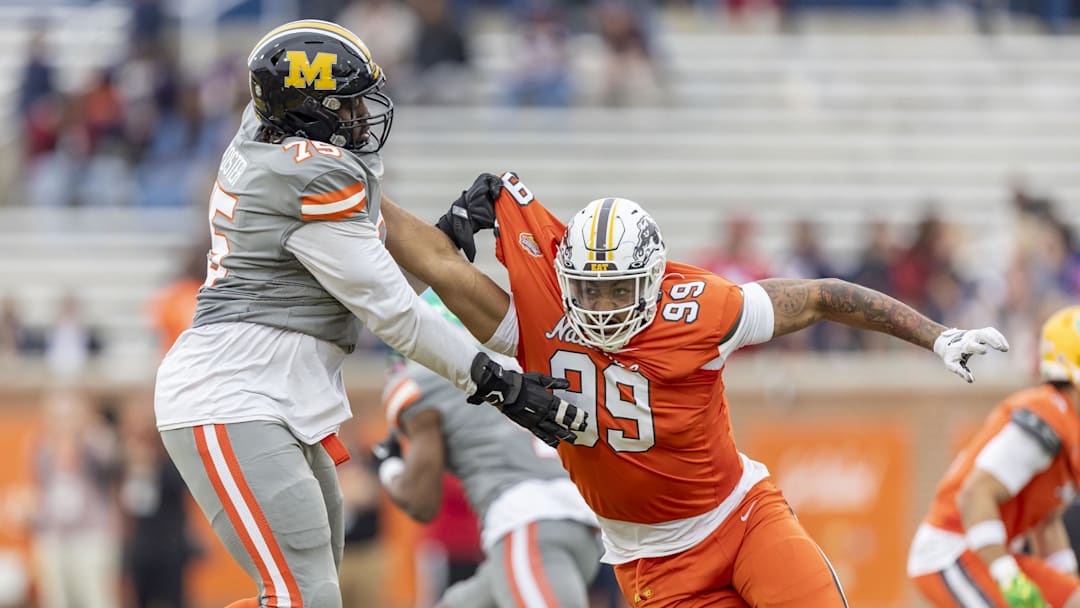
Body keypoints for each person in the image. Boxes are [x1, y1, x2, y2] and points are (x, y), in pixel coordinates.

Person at [427, 171, 1011, 607]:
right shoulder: (543, 320)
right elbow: (438, 265)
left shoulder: (703, 308)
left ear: (655, 277)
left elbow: (821, 296)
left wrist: (936, 336)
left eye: (619, 289)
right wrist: (352, 217)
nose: (603, 307)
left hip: (740, 516)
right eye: (590, 289)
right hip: (654, 558)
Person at [153, 21, 583, 608]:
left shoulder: (276, 152)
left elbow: (369, 270)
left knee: (308, 593)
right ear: (311, 112)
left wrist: (450, 229)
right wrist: (499, 383)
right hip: (230, 395)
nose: (361, 116)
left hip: (272, 397)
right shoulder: (307, 175)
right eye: (348, 104)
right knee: (301, 596)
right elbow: (398, 316)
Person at [372, 290, 602, 608]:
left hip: (528, 525)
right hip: (583, 523)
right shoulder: (518, 364)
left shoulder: (424, 381)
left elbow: (421, 503)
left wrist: (389, 464)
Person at [908, 306, 1080, 607]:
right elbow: (974, 494)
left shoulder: (1069, 423)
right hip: (952, 551)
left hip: (988, 551)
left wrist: (1066, 585)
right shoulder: (1048, 414)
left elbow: (1047, 522)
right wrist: (1008, 576)